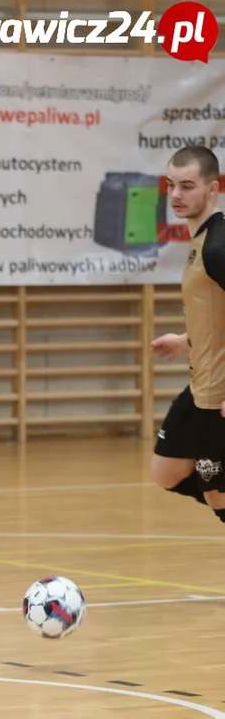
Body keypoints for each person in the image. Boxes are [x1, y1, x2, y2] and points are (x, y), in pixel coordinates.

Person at [149, 145, 225, 519]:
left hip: (219, 394)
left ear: (212, 189)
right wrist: (186, 340)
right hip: (200, 383)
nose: (176, 195)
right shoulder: (200, 241)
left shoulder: (219, 246)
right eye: (171, 185)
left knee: (217, 496)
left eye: (187, 186)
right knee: (166, 470)